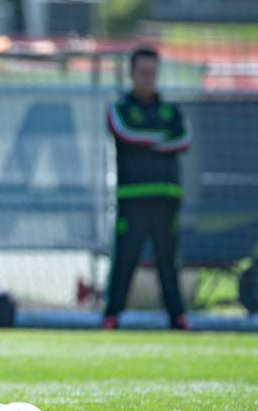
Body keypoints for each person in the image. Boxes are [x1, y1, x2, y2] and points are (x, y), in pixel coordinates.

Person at [102, 46, 192, 330]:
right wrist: (160, 141)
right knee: (125, 259)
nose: (148, 78)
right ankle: (112, 314)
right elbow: (125, 133)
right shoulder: (121, 108)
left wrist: (153, 144)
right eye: (143, 72)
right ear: (132, 74)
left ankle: (177, 316)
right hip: (133, 199)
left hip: (166, 198)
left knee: (168, 261)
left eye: (152, 72)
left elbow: (185, 140)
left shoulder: (171, 110)